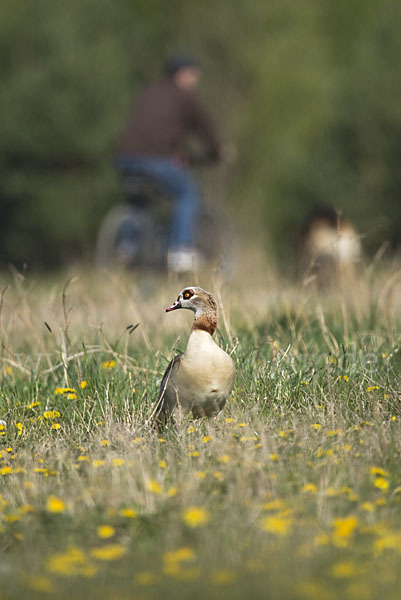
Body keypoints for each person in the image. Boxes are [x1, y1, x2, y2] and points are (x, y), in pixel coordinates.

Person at [115, 55, 222, 272]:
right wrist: (217, 151)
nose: (195, 80)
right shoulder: (184, 96)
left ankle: (128, 246)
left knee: (139, 200)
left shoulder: (149, 91)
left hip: (125, 158)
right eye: (193, 74)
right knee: (187, 194)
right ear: (183, 74)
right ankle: (180, 250)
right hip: (157, 158)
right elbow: (205, 126)